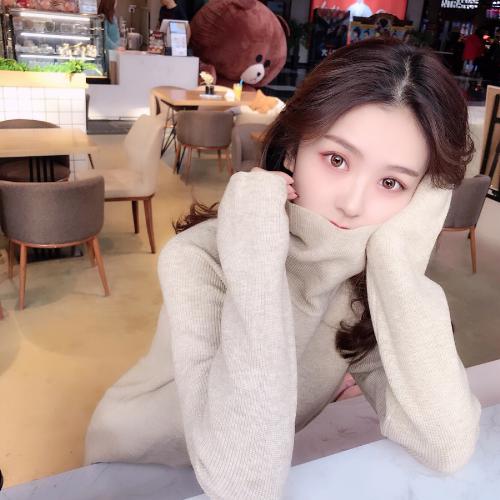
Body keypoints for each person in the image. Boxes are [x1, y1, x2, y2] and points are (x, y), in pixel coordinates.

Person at [85, 38, 480, 499]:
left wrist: (399, 260)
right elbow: (245, 483)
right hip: (134, 468)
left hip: (238, 466)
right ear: (292, 151)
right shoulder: (202, 257)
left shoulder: (369, 284)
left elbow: (445, 445)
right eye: (336, 160)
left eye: (391, 182)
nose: (353, 204)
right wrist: (256, 252)